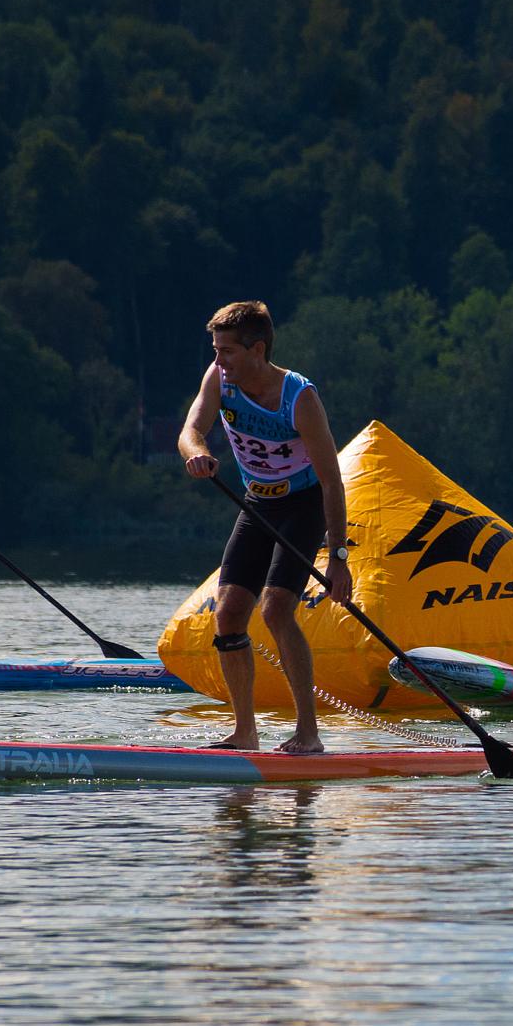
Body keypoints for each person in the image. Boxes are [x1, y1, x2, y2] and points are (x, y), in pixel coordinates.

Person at [177, 300, 352, 753]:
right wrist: (197, 453)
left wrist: (338, 558)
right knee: (229, 613)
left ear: (257, 350)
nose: (219, 361)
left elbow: (332, 482)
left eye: (228, 351)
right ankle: (245, 732)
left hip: (303, 504)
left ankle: (309, 733)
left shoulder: (300, 398)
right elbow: (190, 431)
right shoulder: (219, 379)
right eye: (216, 351)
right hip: (258, 503)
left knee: (275, 609)